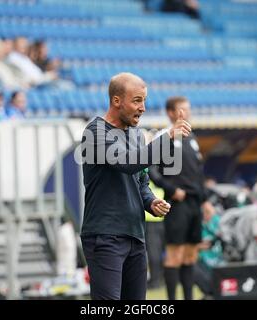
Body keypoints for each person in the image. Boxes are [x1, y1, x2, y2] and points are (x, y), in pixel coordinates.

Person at [80, 72, 191, 300]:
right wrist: (167, 136)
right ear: (116, 101)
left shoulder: (137, 135)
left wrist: (150, 201)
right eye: (137, 100)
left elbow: (140, 181)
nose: (143, 107)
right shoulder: (95, 132)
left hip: (135, 235)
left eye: (144, 100)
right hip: (105, 235)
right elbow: (127, 163)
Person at [149, 96, 205, 300]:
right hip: (177, 203)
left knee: (191, 254)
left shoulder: (192, 138)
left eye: (188, 109)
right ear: (171, 113)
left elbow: (199, 172)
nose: (186, 113)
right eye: (182, 109)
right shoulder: (165, 136)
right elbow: (151, 170)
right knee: (174, 255)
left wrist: (205, 201)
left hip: (194, 203)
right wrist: (171, 190)